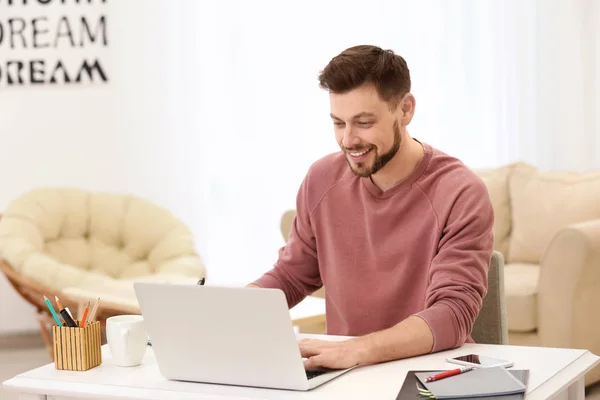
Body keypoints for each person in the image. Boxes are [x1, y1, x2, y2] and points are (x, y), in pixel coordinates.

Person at [247, 45, 494, 371]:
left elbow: (452, 314)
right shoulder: (321, 179)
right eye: (338, 123)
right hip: (344, 374)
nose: (348, 140)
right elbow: (292, 275)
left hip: (430, 375)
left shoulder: (460, 192)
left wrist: (356, 351)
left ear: (405, 110)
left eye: (363, 122)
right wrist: (233, 310)